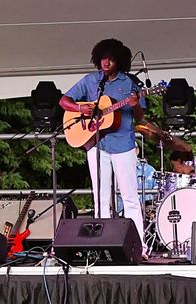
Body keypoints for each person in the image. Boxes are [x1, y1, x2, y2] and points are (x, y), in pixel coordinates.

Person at [59, 37, 147, 252]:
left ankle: (139, 246)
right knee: (100, 197)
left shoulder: (130, 83)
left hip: (123, 144)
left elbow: (140, 116)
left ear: (120, 61)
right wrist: (81, 109)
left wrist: (135, 105)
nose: (106, 63)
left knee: (129, 197)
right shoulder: (91, 80)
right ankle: (102, 244)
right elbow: (64, 101)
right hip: (96, 144)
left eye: (111, 59)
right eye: (103, 58)